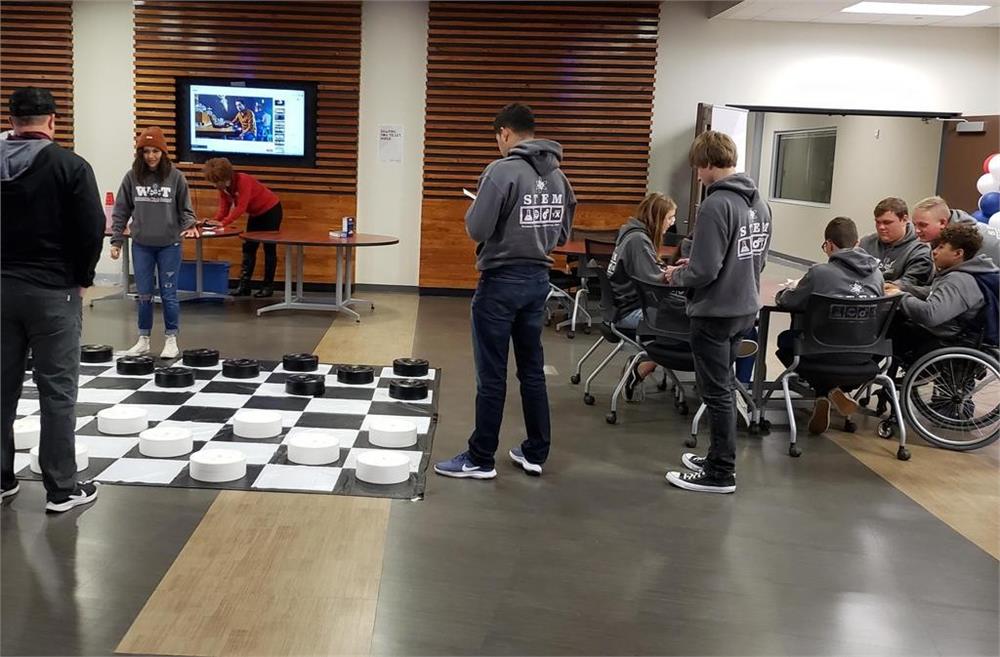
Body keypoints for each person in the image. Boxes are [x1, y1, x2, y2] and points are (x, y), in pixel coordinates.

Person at [434, 103, 576, 479]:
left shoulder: (501, 171)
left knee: (492, 374)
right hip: (537, 282)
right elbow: (562, 234)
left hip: (500, 283)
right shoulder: (560, 177)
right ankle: (535, 451)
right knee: (531, 371)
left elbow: (477, 229)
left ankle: (480, 458)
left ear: (505, 133)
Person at [1, 87, 104, 512]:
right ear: (52, 121)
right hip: (52, 292)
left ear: (12, 120)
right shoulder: (70, 166)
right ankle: (62, 488)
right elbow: (91, 226)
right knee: (57, 391)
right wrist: (81, 278)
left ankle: (1, 481)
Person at [662, 130, 771, 494]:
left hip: (715, 312)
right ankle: (716, 457)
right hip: (744, 310)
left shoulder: (715, 204)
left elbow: (705, 272)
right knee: (724, 386)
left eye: (698, 168)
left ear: (708, 163)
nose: (697, 175)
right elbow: (757, 258)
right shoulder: (759, 204)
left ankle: (720, 472)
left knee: (717, 392)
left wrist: (678, 272)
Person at [774, 216, 884, 434]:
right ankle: (832, 392)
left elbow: (789, 301)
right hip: (863, 357)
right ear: (857, 244)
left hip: (820, 354)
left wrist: (782, 293)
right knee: (825, 349)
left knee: (785, 342)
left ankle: (826, 390)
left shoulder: (820, 273)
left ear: (830, 244)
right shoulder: (877, 275)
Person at [111, 126, 199, 358]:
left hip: (169, 245)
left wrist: (187, 227)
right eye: (146, 151)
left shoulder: (176, 177)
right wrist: (116, 241)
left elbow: (187, 211)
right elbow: (121, 210)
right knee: (144, 294)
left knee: (169, 294)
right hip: (141, 245)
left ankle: (171, 339)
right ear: (140, 153)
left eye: (155, 151)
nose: (151, 156)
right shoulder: (132, 177)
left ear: (163, 153)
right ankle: (143, 339)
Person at [887, 224, 999, 360]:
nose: (934, 251)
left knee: (889, 327)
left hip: (944, 340)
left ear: (958, 253)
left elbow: (930, 315)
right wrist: (904, 289)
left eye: (941, 247)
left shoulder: (958, 280)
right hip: (958, 335)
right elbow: (935, 292)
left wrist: (899, 297)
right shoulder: (971, 273)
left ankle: (865, 372)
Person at [606, 193, 677, 398]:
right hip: (630, 311)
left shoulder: (631, 233)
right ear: (658, 217)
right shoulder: (638, 240)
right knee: (685, 324)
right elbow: (655, 280)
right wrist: (677, 274)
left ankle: (646, 363)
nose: (672, 223)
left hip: (620, 307)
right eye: (670, 217)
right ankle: (643, 366)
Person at [202, 157, 282, 297]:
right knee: (249, 247)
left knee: (269, 248)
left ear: (226, 177)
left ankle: (268, 287)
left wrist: (224, 223)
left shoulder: (243, 180)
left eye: (217, 182)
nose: (215, 185)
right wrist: (214, 221)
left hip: (271, 210)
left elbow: (241, 207)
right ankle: (244, 286)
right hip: (256, 214)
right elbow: (224, 208)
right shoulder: (224, 188)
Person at [859, 197, 933, 289]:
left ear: (904, 220)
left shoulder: (920, 249)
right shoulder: (866, 243)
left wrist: (885, 287)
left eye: (887, 222)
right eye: (878, 222)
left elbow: (910, 283)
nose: (881, 227)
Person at [911, 195, 999, 267]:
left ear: (942, 222)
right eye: (914, 225)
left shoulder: (966, 239)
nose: (917, 230)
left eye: (923, 225)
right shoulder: (954, 234)